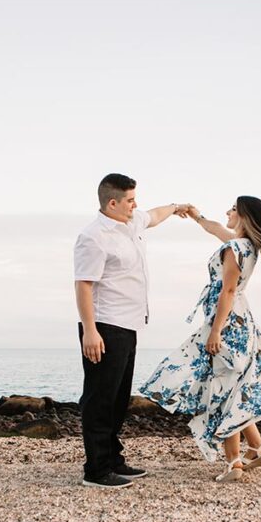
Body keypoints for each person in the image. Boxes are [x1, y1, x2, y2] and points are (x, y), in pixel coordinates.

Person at [139, 196, 261, 482]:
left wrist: (216, 331)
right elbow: (215, 228)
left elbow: (227, 292)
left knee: (224, 388)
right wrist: (195, 215)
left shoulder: (233, 248)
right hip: (243, 320)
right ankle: (257, 448)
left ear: (243, 216)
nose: (227, 211)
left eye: (232, 208)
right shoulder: (247, 245)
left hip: (228, 323)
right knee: (235, 384)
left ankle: (234, 463)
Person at [73, 173, 187, 488]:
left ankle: (113, 459)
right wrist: (89, 331)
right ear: (113, 203)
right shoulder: (93, 237)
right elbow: (83, 286)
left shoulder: (132, 221)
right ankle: (96, 470)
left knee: (119, 399)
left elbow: (154, 216)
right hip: (104, 326)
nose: (136, 205)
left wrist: (178, 207)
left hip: (130, 324)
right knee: (100, 399)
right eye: (130, 200)